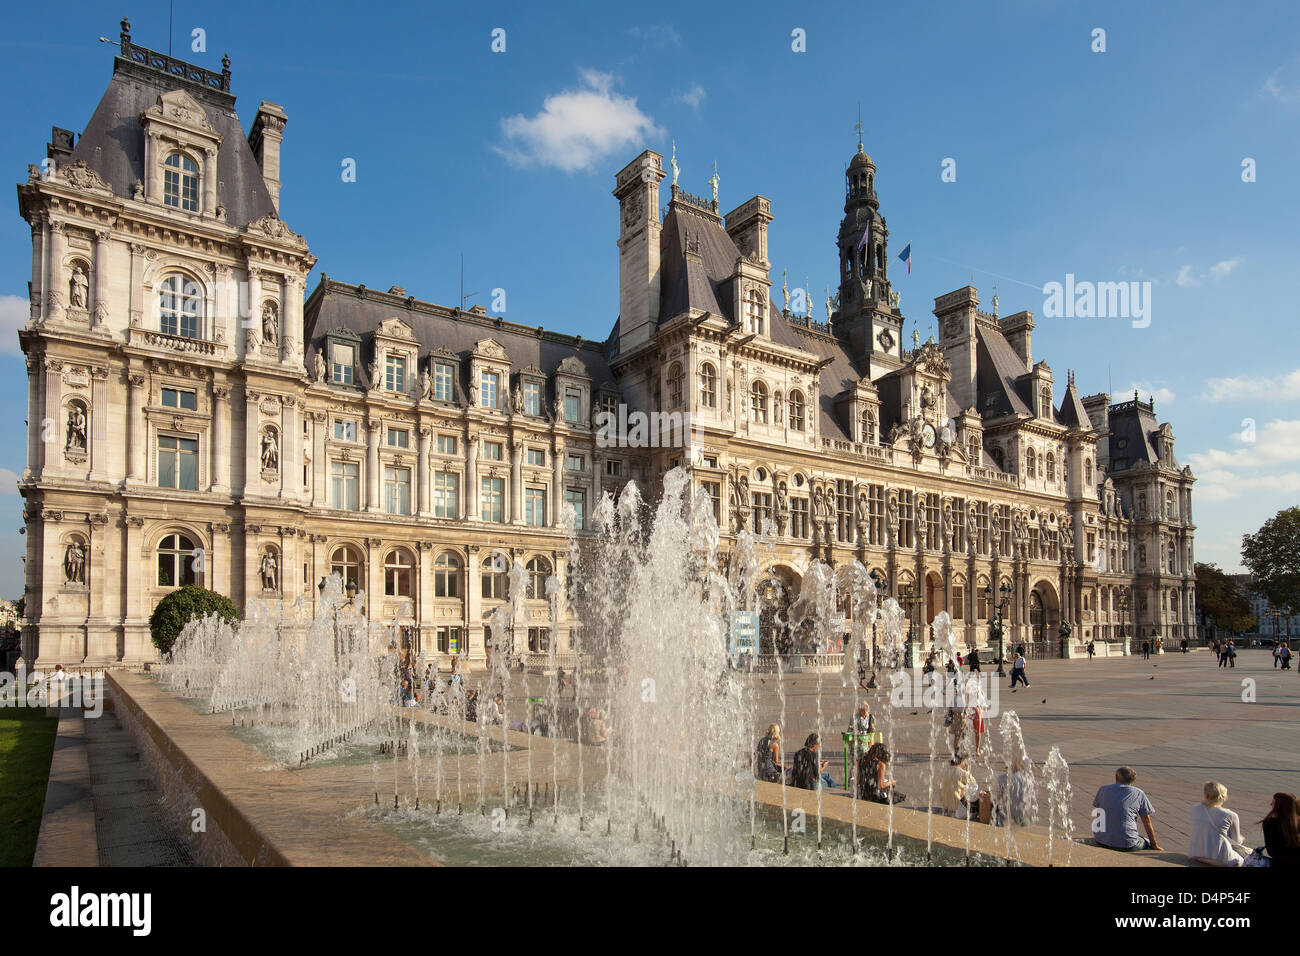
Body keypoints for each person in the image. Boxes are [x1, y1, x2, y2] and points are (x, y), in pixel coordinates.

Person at [1092, 766, 1162, 852]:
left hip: (1101, 840)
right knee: (1145, 840)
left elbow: (1099, 811)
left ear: (1116, 777)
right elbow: (1146, 820)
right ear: (1132, 780)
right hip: (1126, 844)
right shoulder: (1138, 793)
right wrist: (1154, 844)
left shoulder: (1103, 789)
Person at [1188, 781, 1249, 866]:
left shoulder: (1195, 809)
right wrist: (1242, 838)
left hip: (1196, 853)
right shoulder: (1230, 815)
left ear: (1206, 796)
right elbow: (1236, 842)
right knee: (1248, 860)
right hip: (1220, 857)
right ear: (1223, 797)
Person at [1261, 792, 1300, 867]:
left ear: (1278, 807)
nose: (1270, 804)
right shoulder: (1297, 823)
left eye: (1273, 803)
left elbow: (1272, 851)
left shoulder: (1270, 823)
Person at [995, 756, 1034, 826]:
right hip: (1021, 812)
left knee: (997, 817)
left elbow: (998, 797)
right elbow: (1029, 798)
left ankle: (998, 825)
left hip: (1006, 812)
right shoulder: (1028, 779)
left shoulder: (1002, 778)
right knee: (1025, 821)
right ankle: (1025, 825)